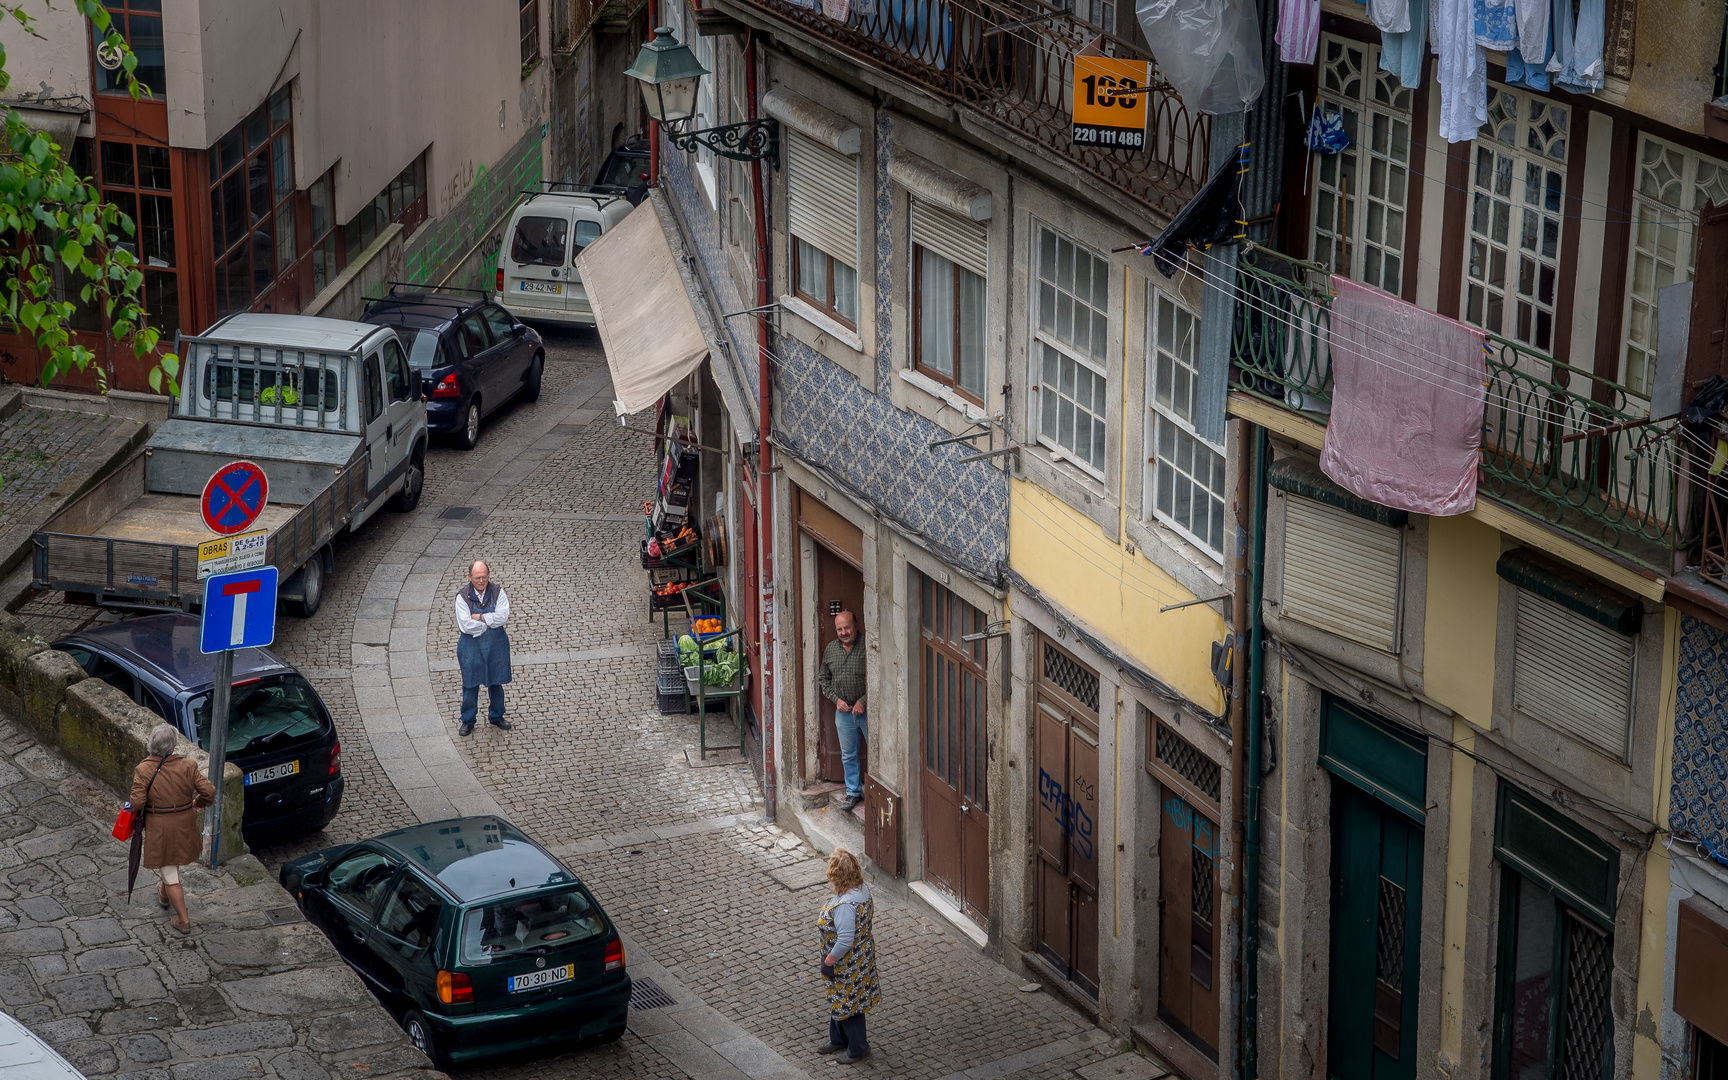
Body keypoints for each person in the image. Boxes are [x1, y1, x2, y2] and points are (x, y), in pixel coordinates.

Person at [131, 723, 215, 935]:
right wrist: (197, 804)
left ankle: (183, 920)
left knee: (169, 873)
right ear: (173, 745)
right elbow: (209, 792)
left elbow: (138, 803)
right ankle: (164, 893)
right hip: (185, 824)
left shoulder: (143, 769)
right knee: (171, 866)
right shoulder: (188, 765)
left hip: (160, 827)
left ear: (152, 743)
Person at [815, 849, 879, 1064]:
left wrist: (829, 961)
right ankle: (839, 1039)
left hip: (847, 964)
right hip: (860, 959)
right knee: (840, 1000)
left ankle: (858, 1048)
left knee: (851, 1004)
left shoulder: (846, 906)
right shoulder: (861, 890)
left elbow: (844, 940)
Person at [455, 560, 513, 736]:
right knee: (470, 684)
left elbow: (503, 617)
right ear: (469, 577)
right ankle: (468, 720)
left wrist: (479, 618)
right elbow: (465, 625)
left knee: (496, 681)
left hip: (496, 645)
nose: (481, 581)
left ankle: (497, 716)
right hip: (470, 647)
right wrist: (488, 623)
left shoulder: (498, 592)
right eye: (477, 577)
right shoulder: (462, 597)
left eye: (484, 577)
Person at [817, 609, 867, 810]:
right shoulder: (831, 649)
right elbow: (823, 678)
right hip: (844, 713)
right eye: (840, 629)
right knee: (848, 755)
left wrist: (864, 700)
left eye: (847, 627)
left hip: (868, 712)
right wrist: (836, 700)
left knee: (878, 753)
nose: (844, 632)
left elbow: (880, 677)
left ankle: (878, 793)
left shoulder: (867, 646)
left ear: (856, 627)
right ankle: (853, 791)